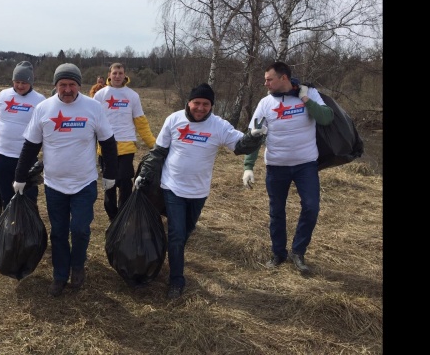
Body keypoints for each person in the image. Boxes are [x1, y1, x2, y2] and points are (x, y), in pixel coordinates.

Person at [135, 83, 267, 299]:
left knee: (186, 231)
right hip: (172, 187)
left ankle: (173, 255)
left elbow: (240, 146)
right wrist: (144, 174)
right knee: (176, 234)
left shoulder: (219, 126)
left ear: (211, 106)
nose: (200, 108)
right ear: (189, 102)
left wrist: (254, 136)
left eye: (206, 104)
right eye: (196, 103)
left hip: (198, 191)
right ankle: (176, 280)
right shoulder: (174, 120)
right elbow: (158, 151)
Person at [12, 63, 119, 297]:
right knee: (59, 232)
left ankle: (77, 265)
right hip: (54, 185)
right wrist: (20, 176)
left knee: (80, 229)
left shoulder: (93, 107)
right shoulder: (43, 109)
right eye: (63, 85)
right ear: (56, 85)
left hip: (84, 183)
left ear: (79, 85)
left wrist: (111, 174)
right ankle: (60, 275)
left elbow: (109, 143)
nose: (67, 89)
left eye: (72, 84)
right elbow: (30, 146)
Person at [242, 61, 334, 274]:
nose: (265, 83)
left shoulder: (309, 93)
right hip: (276, 166)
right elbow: (255, 135)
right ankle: (278, 253)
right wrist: (248, 166)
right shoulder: (265, 103)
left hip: (306, 165)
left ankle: (298, 251)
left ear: (283, 78)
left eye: (269, 79)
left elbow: (326, 118)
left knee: (311, 207)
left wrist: (305, 99)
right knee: (276, 211)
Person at [0, 61, 46, 208]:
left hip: (27, 159)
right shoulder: (3, 96)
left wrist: (47, 156)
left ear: (31, 82)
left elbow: (45, 131)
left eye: (24, 82)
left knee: (28, 198)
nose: (20, 86)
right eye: (17, 82)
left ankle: (28, 222)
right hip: (3, 157)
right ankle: (9, 222)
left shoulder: (40, 101)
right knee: (5, 197)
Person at [93, 63, 156, 221]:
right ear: (109, 74)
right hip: (106, 147)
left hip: (126, 146)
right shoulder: (100, 95)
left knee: (125, 182)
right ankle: (112, 217)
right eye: (114, 73)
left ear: (125, 75)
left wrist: (154, 145)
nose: (117, 76)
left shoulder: (132, 96)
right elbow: (92, 121)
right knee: (109, 184)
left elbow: (141, 122)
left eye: (120, 73)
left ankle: (123, 216)